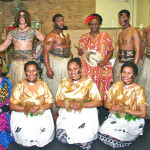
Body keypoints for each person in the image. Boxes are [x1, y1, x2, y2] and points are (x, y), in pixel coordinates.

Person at [55, 57, 102, 150]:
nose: (72, 72)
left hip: (85, 112)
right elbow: (57, 102)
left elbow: (99, 102)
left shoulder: (88, 82)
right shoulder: (64, 82)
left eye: (75, 69)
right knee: (62, 138)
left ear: (80, 69)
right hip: (68, 112)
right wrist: (69, 104)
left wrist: (81, 105)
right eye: (70, 69)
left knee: (84, 140)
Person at [98, 61, 148, 149]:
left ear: (135, 75)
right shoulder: (116, 86)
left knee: (119, 136)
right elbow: (106, 104)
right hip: (116, 116)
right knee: (102, 131)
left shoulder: (139, 90)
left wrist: (123, 109)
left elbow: (143, 114)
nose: (125, 75)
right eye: (124, 72)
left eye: (129, 73)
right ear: (121, 73)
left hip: (131, 119)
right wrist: (112, 106)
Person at [10, 61, 54, 147]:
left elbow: (50, 103)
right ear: (25, 72)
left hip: (40, 112)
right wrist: (28, 109)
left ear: (38, 71)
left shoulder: (43, 85)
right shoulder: (19, 85)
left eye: (34, 70)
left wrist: (39, 108)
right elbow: (12, 106)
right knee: (25, 136)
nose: (31, 73)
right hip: (24, 114)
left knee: (44, 137)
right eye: (28, 71)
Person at [0, 10, 45, 86]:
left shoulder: (33, 31)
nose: (21, 17)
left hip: (29, 64)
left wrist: (39, 53)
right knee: (17, 87)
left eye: (24, 16)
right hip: (16, 65)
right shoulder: (12, 33)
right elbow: (3, 47)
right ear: (17, 18)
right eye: (20, 16)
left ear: (27, 18)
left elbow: (47, 42)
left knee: (30, 87)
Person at [78, 13, 114, 100]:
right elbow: (80, 52)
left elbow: (110, 51)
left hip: (101, 66)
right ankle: (89, 109)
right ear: (89, 25)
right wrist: (80, 51)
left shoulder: (106, 36)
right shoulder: (84, 37)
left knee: (102, 90)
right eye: (91, 24)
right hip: (87, 68)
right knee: (88, 89)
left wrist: (104, 61)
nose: (94, 26)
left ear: (100, 24)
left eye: (96, 24)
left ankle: (102, 112)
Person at [42, 14, 71, 114]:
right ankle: (55, 112)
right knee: (56, 89)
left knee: (66, 88)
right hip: (55, 65)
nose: (61, 22)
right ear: (54, 23)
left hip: (66, 64)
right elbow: (45, 52)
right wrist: (48, 69)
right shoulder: (50, 36)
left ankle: (65, 109)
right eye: (58, 21)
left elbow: (68, 49)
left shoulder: (66, 35)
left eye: (62, 20)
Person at [113, 9, 141, 83]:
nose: (121, 19)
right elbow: (119, 50)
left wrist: (133, 68)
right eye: (119, 17)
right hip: (119, 64)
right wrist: (115, 64)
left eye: (123, 17)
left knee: (129, 89)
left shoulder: (134, 32)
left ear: (129, 18)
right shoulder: (120, 34)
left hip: (130, 64)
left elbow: (138, 51)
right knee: (119, 87)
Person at [0, 70, 14, 150]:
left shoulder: (6, 83)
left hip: (3, 109)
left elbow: (11, 98)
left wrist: (2, 109)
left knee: (3, 121)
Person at [138, 25, 150, 118]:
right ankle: (146, 111)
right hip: (148, 61)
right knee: (146, 86)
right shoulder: (147, 29)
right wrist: (142, 58)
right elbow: (143, 43)